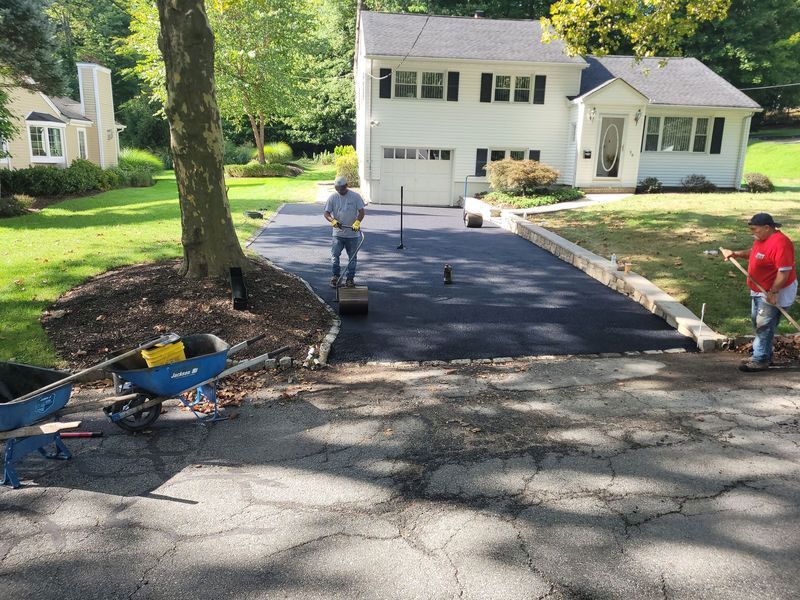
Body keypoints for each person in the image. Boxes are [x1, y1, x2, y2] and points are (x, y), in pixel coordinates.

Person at [721, 213, 797, 372]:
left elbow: (784, 272)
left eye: (754, 229)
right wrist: (735, 253)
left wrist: (774, 292)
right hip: (759, 289)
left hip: (776, 290)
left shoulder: (781, 244)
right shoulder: (762, 239)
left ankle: (760, 359)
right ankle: (764, 354)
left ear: (767, 228)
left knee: (764, 325)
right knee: (758, 321)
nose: (752, 232)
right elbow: (755, 253)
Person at [324, 175, 365, 288]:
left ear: (346, 186)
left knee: (352, 257)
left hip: (352, 234)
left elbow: (361, 211)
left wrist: (357, 222)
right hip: (338, 233)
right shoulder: (333, 197)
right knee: (335, 255)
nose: (339, 191)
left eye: (341, 188)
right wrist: (333, 221)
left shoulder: (355, 197)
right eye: (337, 189)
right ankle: (335, 276)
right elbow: (326, 213)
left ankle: (350, 279)